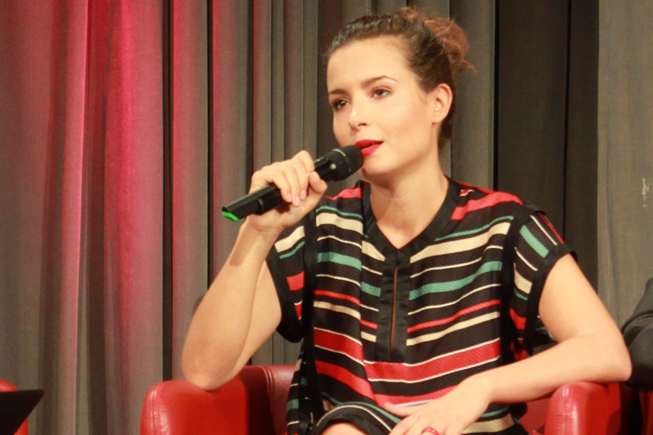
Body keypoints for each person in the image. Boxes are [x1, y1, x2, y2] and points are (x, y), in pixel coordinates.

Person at [182, 8, 631, 435]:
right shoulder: (322, 230)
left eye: (379, 92)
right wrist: (257, 235)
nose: (356, 118)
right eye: (340, 102)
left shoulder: (504, 227)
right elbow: (204, 370)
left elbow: (606, 349)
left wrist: (479, 389)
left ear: (437, 102)